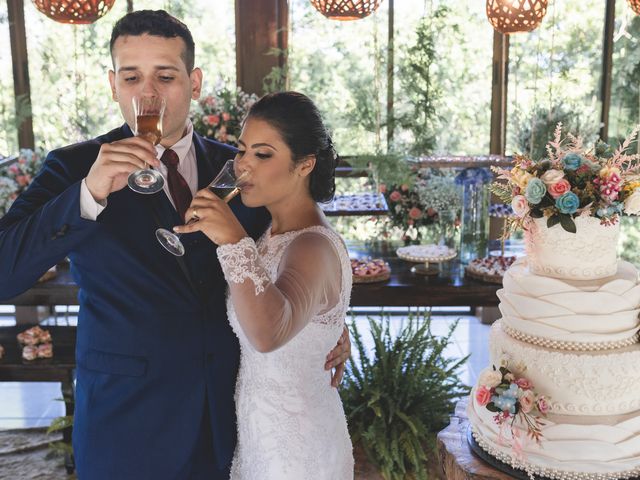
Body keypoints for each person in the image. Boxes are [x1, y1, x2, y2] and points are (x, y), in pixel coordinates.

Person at [0, 11, 350, 480]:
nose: (148, 94)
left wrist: (329, 323)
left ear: (194, 82)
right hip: (127, 427)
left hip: (229, 424)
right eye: (132, 77)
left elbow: (303, 240)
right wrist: (89, 193)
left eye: (165, 76)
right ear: (112, 83)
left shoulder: (243, 169)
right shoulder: (73, 168)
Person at [174, 91, 354, 478]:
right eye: (241, 151)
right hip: (259, 436)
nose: (244, 166)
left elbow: (270, 334)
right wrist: (331, 329)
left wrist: (233, 242)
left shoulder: (312, 244)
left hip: (298, 451)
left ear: (305, 165)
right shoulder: (271, 233)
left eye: (263, 154)